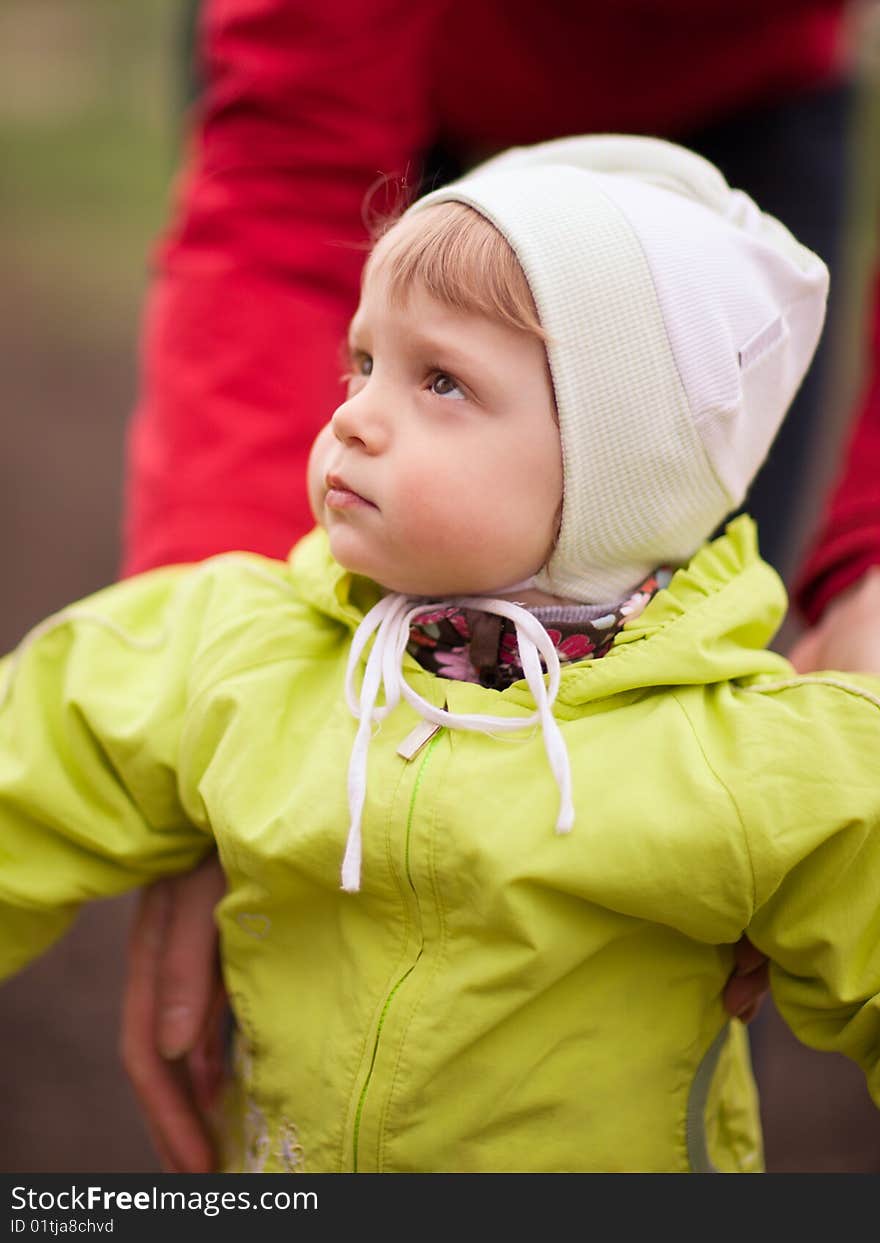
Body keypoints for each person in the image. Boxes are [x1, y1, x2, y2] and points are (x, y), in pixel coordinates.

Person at [2, 134, 880, 1173]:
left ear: (615, 473)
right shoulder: (238, 648)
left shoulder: (742, 759)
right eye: (364, 362)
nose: (353, 417)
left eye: (442, 383)